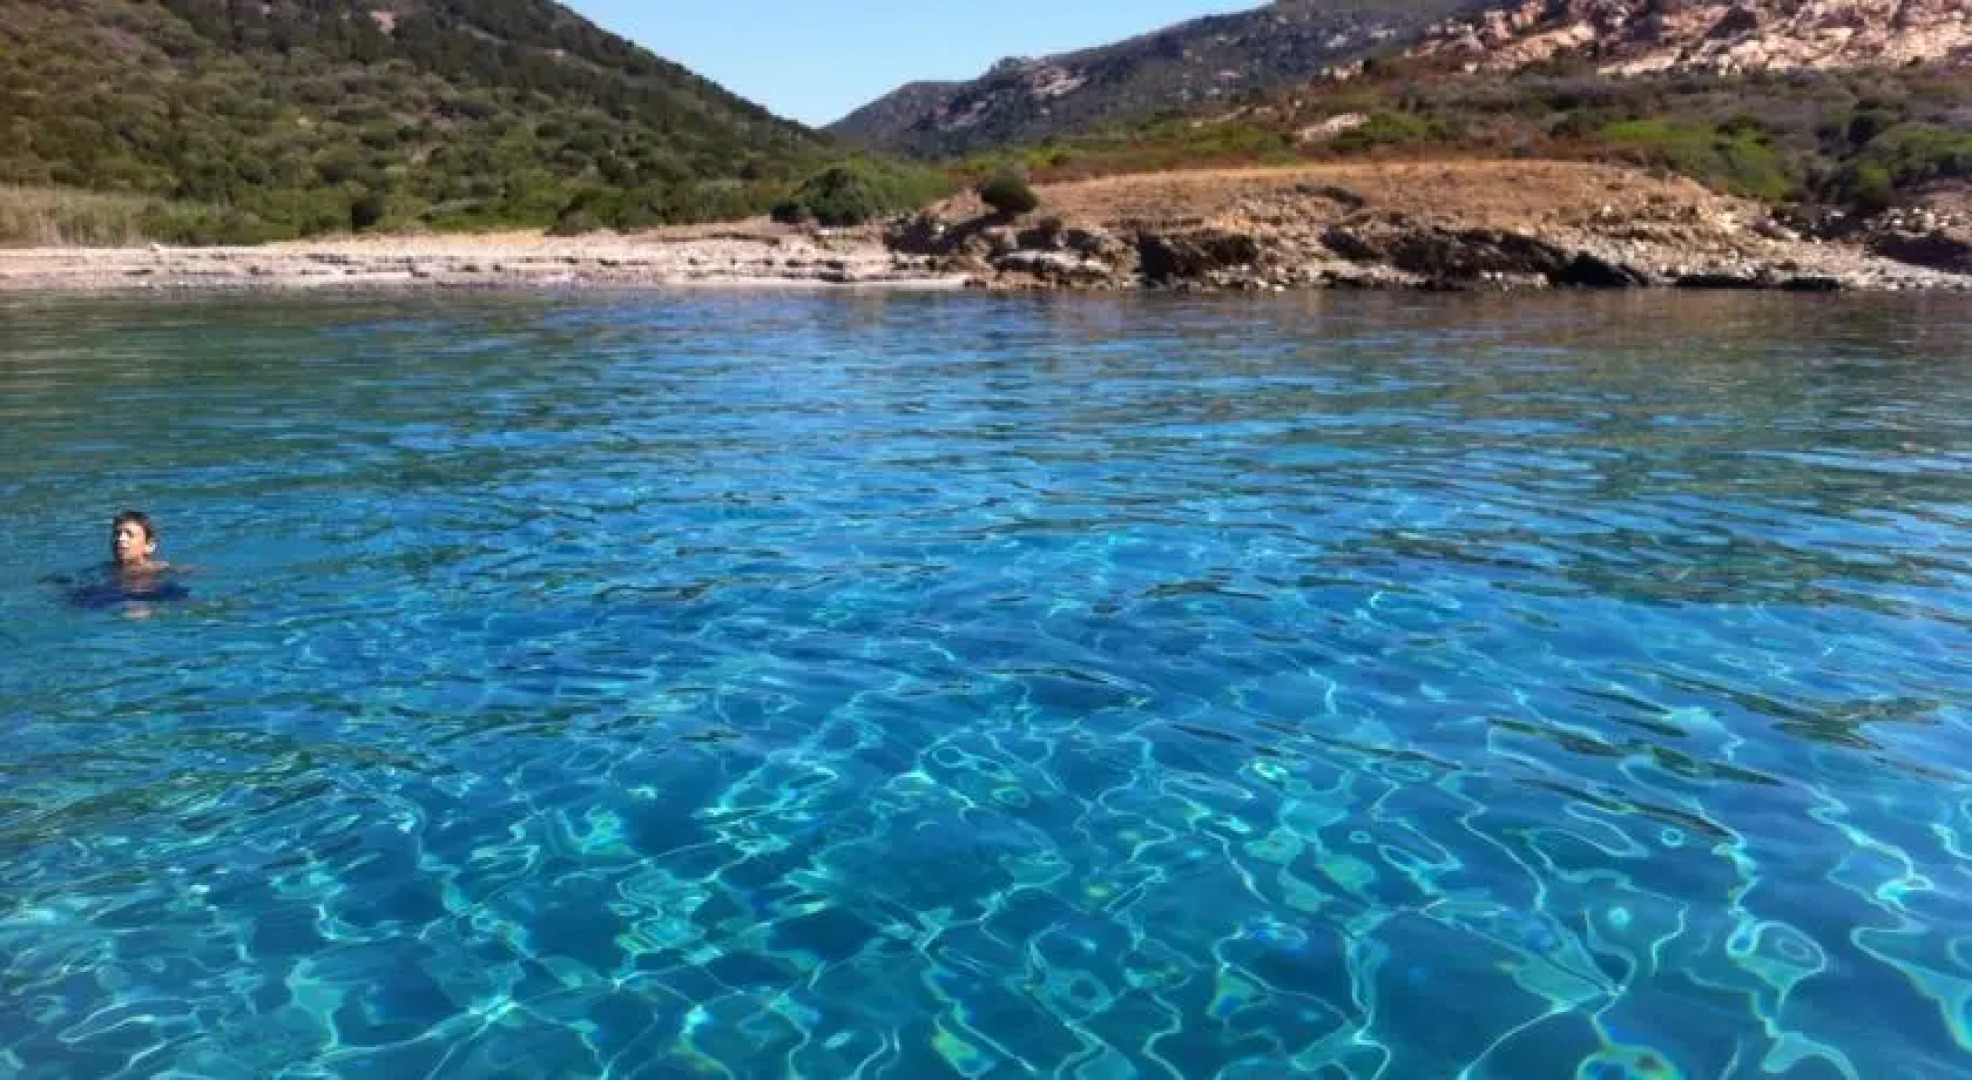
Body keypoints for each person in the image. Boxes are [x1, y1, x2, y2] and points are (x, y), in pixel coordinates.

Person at [53, 511, 190, 611]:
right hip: (113, 594)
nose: (120, 539)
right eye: (117, 534)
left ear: (149, 545)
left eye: (129, 535)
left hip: (150, 593)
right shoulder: (105, 568)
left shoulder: (159, 568)